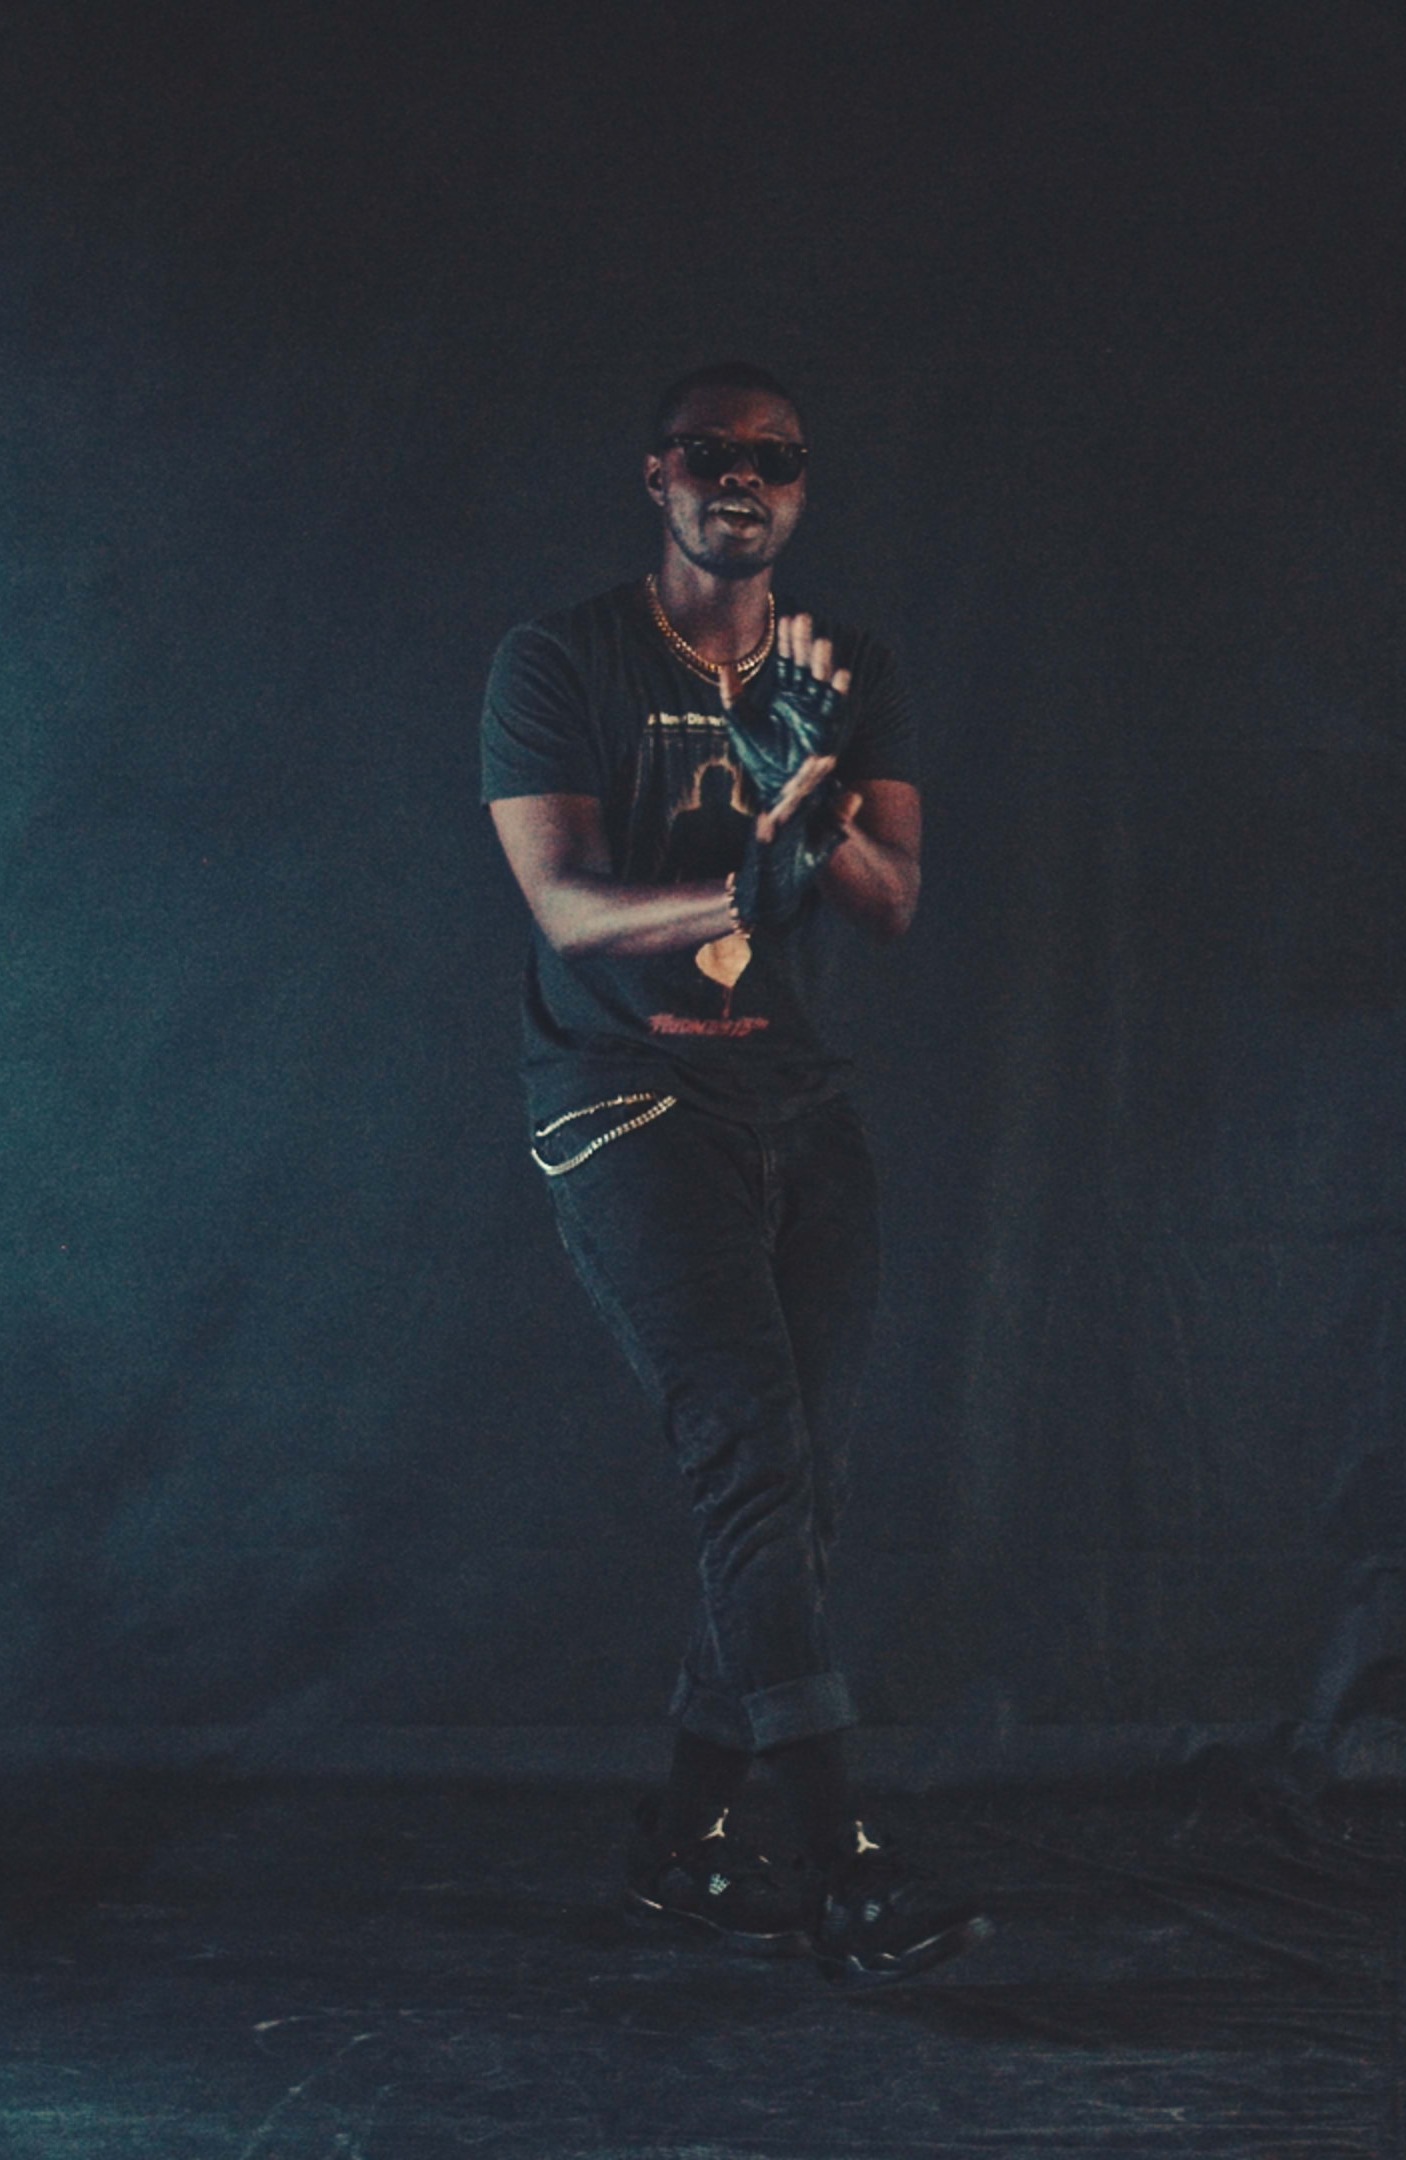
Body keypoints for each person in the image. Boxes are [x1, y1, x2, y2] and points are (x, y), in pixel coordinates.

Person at [481, 360, 987, 1983]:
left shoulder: (851, 675)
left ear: (800, 491)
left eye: (773, 458)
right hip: (627, 1105)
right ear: (657, 476)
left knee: (800, 1495)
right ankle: (837, 1857)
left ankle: (684, 1839)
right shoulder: (559, 660)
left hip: (793, 1109)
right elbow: (565, 906)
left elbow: (895, 902)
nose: (741, 479)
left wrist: (810, 809)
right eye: (710, 454)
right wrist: (748, 870)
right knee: (752, 1464)